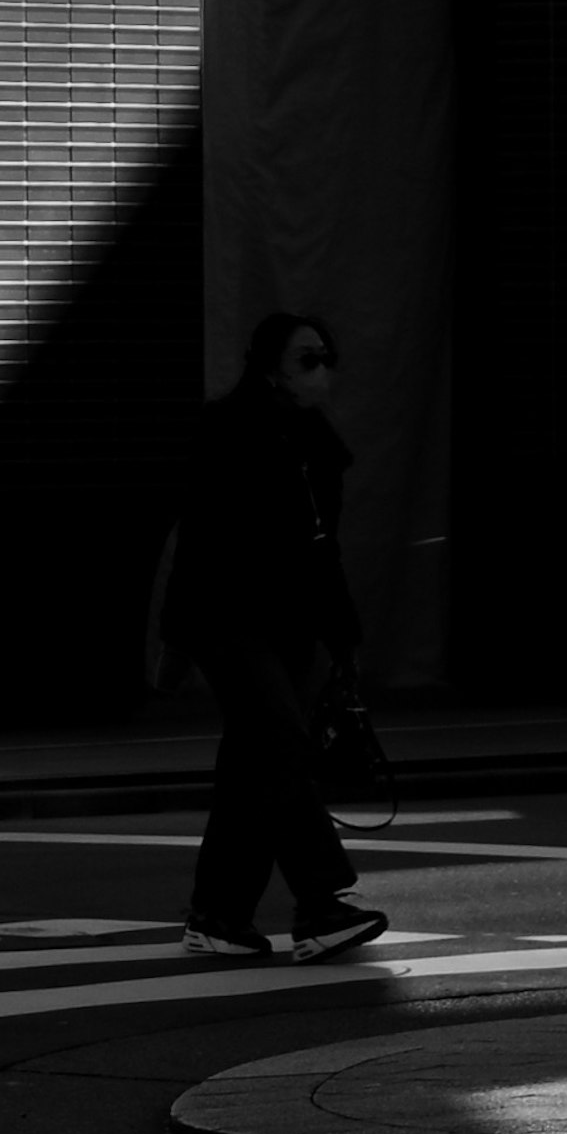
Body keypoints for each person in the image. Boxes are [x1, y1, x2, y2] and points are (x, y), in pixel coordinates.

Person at [168, 312, 389, 965]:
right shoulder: (232, 431)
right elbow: (202, 536)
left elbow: (322, 552)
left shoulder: (316, 446)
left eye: (327, 355)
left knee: (256, 762)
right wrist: (175, 638)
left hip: (284, 623)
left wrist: (342, 636)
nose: (323, 369)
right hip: (226, 615)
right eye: (307, 358)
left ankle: (219, 915)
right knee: (280, 740)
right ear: (270, 368)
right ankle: (320, 902)